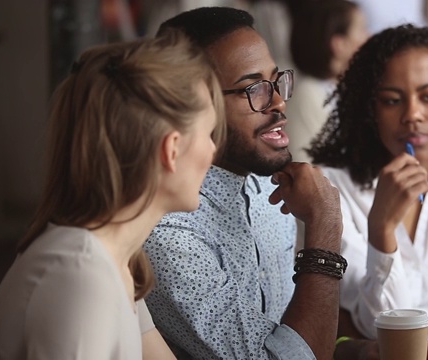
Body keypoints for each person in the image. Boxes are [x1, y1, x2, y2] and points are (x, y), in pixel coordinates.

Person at [0, 31, 225, 359]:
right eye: (209, 134)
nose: (213, 151)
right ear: (171, 149)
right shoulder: (80, 272)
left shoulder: (114, 258)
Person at [144, 7, 346, 360]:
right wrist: (325, 232)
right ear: (190, 104)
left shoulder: (270, 186)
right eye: (253, 88)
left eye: (275, 81)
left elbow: (285, 339)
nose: (279, 102)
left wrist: (350, 351)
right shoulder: (169, 232)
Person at [308, 25, 428, 343]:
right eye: (392, 101)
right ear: (372, 109)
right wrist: (381, 228)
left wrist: (413, 329)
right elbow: (379, 323)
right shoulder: (330, 189)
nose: (412, 115)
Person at [285, 0, 369, 162]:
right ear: (339, 44)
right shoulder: (308, 94)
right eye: (362, 29)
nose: (369, 37)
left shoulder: (346, 90)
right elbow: (306, 166)